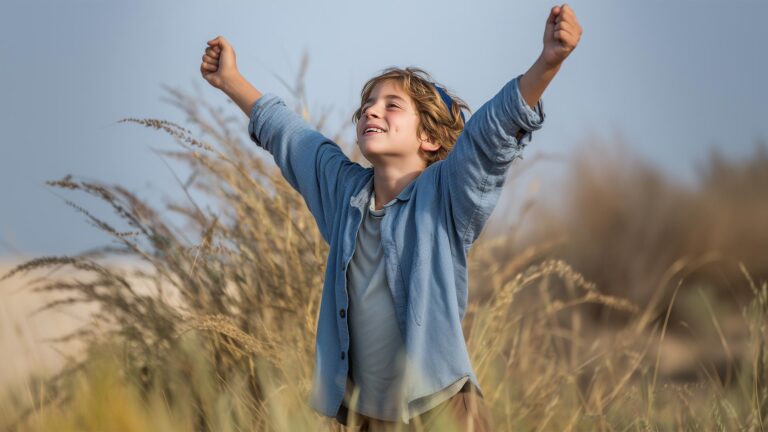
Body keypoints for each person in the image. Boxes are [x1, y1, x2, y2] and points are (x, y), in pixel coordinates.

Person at [200, 4, 582, 430]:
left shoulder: (448, 197)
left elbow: (489, 136)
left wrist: (548, 62)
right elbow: (292, 138)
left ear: (430, 137)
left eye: (391, 105)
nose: (371, 111)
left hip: (441, 408)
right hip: (367, 416)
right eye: (367, 103)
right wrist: (230, 80)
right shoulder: (344, 195)